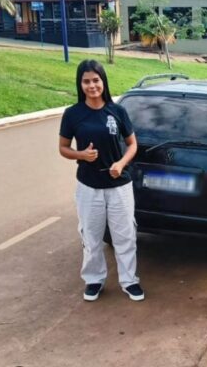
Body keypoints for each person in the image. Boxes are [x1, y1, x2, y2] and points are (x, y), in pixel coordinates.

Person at [59, 59, 144, 302]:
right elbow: (63, 148)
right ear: (80, 84)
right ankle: (94, 280)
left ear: (103, 82)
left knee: (125, 236)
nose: (92, 85)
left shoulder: (117, 111)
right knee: (91, 236)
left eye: (96, 80)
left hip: (119, 185)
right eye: (86, 81)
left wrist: (121, 164)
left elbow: (132, 144)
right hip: (89, 186)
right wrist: (81, 155)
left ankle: (130, 281)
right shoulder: (73, 114)